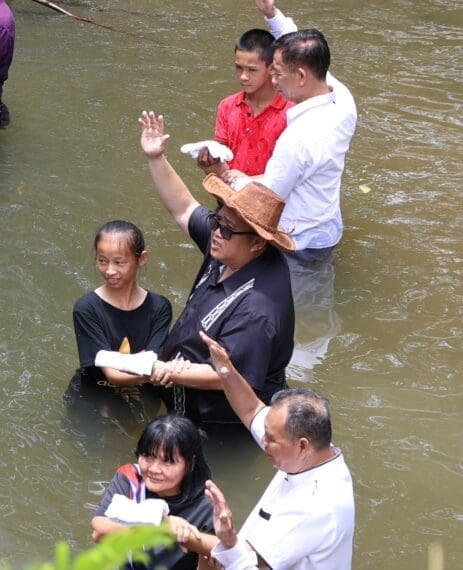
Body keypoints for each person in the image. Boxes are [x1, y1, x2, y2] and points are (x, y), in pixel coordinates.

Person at [139, 111, 295, 436]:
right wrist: (156, 158)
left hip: (216, 425)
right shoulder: (229, 244)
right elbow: (184, 207)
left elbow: (228, 375)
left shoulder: (259, 309)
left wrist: (166, 371)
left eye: (226, 229)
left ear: (257, 243)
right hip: (179, 388)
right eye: (216, 221)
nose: (216, 232)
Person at [225, 0, 358, 260]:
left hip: (297, 240)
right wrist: (272, 14)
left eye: (277, 73)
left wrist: (235, 179)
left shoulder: (298, 138)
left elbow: (268, 194)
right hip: (326, 230)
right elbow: (302, 50)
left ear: (300, 76)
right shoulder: (343, 100)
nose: (273, 81)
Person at [200, 332, 355, 569]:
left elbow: (253, 566)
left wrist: (221, 541)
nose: (262, 440)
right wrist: (226, 371)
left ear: (302, 445)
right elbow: (251, 410)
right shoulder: (315, 451)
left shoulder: (316, 506)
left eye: (271, 439)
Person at [67, 221, 173, 420]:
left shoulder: (159, 307)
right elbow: (114, 375)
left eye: (119, 262)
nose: (109, 270)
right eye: (102, 261)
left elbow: (153, 359)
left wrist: (152, 366)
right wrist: (162, 371)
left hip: (141, 394)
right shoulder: (86, 308)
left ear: (142, 259)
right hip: (94, 396)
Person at [91, 415, 218, 570]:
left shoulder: (206, 506)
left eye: (168, 461)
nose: (154, 469)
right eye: (148, 456)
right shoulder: (130, 478)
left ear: (191, 464)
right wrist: (164, 525)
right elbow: (99, 526)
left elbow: (219, 552)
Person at [197, 28, 289, 179]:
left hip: (272, 193)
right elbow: (222, 166)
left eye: (252, 70)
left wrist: (247, 181)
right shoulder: (227, 106)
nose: (243, 76)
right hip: (231, 190)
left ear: (272, 68)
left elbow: (292, 173)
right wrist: (210, 164)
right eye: (239, 68)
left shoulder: (292, 112)